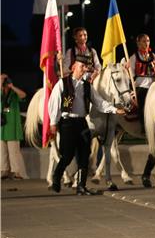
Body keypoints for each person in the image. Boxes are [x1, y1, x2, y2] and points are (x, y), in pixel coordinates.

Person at [48, 54, 125, 194]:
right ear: (73, 67)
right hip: (67, 123)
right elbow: (54, 102)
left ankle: (81, 186)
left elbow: (99, 102)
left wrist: (114, 109)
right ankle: (56, 177)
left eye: (86, 67)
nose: (84, 69)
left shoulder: (87, 86)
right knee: (67, 155)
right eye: (81, 66)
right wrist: (53, 122)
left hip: (82, 122)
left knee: (85, 154)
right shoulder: (63, 83)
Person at [1, 74, 27, 179]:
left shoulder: (13, 93)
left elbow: (23, 95)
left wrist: (12, 87)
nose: (4, 82)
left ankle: (16, 172)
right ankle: (3, 171)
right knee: (1, 151)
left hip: (12, 126)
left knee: (14, 152)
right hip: (2, 126)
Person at [128, 33, 155, 109]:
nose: (146, 43)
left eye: (148, 41)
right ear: (138, 43)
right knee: (142, 107)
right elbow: (130, 76)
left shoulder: (153, 56)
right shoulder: (134, 57)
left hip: (153, 86)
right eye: (144, 41)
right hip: (141, 87)